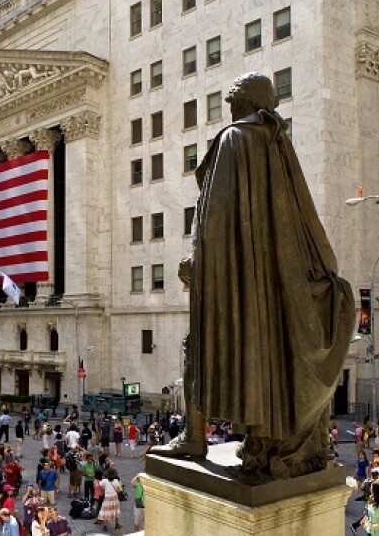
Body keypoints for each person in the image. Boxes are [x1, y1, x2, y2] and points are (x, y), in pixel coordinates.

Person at [151, 72, 354, 482]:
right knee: (254, 356)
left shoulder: (235, 139)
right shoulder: (276, 143)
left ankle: (195, 437)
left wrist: (199, 263)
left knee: (198, 348)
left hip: (234, 280)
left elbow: (214, 219)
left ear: (243, 101)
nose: (229, 106)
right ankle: (250, 438)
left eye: (233, 99)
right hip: (274, 280)